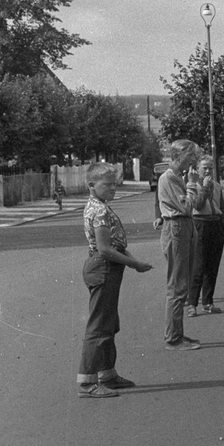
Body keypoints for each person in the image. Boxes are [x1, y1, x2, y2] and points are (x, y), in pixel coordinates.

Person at [77, 162, 153, 397]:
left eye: (114, 183)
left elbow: (114, 244)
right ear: (91, 185)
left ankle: (107, 373)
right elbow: (105, 249)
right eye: (107, 184)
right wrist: (135, 264)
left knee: (108, 323)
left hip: (108, 267)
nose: (113, 188)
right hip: (104, 267)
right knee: (99, 326)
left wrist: (129, 258)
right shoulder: (99, 210)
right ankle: (87, 383)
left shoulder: (99, 206)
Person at [154, 139, 204, 350]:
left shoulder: (177, 177)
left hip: (183, 227)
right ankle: (173, 338)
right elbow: (186, 206)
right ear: (177, 156)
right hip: (177, 228)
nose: (194, 160)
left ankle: (178, 333)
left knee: (182, 281)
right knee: (177, 285)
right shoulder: (170, 178)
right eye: (190, 155)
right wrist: (193, 184)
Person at [186, 154, 224, 316]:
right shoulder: (193, 186)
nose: (208, 171)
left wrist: (223, 225)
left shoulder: (217, 186)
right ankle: (192, 304)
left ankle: (208, 302)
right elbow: (197, 204)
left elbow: (222, 207)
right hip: (200, 224)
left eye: (211, 167)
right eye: (205, 168)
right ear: (198, 169)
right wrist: (204, 187)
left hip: (216, 224)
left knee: (213, 265)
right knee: (199, 265)